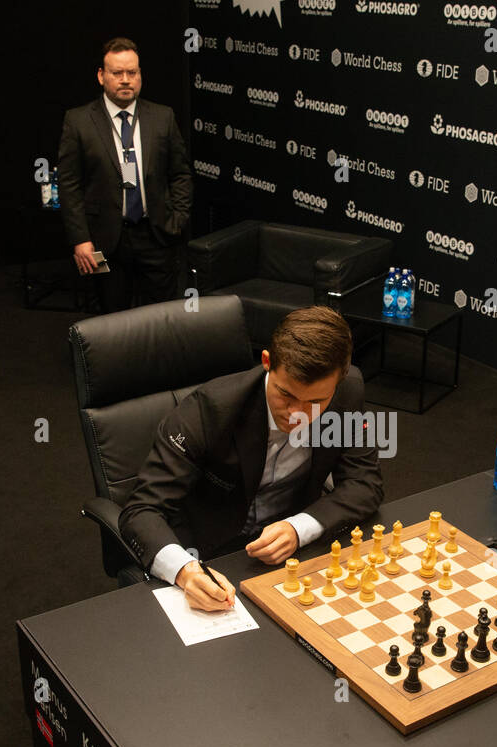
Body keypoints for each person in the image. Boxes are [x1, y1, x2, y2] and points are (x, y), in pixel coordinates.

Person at [120, 307, 384, 610]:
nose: (298, 414)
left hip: (289, 554)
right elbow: (140, 511)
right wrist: (185, 571)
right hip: (208, 554)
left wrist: (298, 528)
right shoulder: (209, 411)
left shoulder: (347, 393)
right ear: (267, 362)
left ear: (339, 380)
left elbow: (365, 483)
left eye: (314, 402)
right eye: (286, 395)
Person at [57, 37, 191, 311]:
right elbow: (69, 185)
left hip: (156, 234)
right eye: (117, 73)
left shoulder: (163, 117)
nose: (126, 80)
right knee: (112, 318)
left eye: (132, 72)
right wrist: (80, 239)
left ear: (140, 74)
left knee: (162, 315)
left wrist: (177, 220)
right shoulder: (78, 121)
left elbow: (181, 174)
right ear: (101, 76)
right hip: (105, 238)